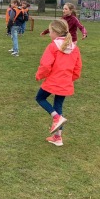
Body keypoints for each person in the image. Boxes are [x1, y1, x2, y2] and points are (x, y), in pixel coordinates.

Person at [35, 19, 82, 147]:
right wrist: (70, 78)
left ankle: (56, 118)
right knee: (58, 106)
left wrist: (39, 75)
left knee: (40, 98)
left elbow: (45, 65)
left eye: (50, 32)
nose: (49, 34)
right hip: (65, 81)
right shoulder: (75, 48)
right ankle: (57, 137)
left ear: (55, 32)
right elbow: (78, 68)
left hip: (53, 81)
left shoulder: (52, 46)